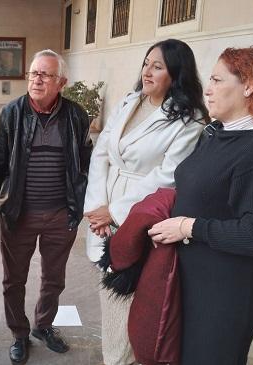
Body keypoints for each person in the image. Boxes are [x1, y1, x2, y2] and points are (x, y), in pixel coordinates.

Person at [148, 46, 253, 364]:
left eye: (217, 79)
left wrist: (187, 226)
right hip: (194, 278)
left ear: (249, 86)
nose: (207, 88)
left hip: (228, 291)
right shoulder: (218, 132)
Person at [83, 38, 208, 365]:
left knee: (131, 298)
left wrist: (114, 212)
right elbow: (101, 153)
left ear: (176, 74)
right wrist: (98, 207)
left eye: (158, 66)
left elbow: (168, 176)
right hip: (106, 204)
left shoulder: (189, 120)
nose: (147, 72)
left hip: (141, 213)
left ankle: (120, 359)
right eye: (146, 63)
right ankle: (115, 357)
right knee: (108, 292)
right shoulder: (130, 102)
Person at [0, 49, 92, 363]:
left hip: (61, 213)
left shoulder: (76, 115)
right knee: (13, 279)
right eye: (33, 73)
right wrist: (0, 202)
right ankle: (19, 332)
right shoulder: (11, 113)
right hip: (19, 213)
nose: (36, 79)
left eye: (45, 74)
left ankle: (43, 325)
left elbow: (85, 163)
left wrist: (79, 205)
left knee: (54, 278)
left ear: (61, 82)